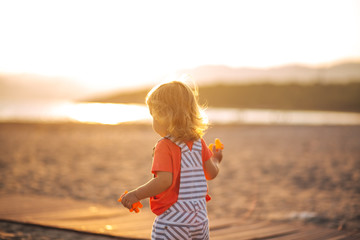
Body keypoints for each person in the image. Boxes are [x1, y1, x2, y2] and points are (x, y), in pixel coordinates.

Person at [120, 80, 223, 239]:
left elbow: (164, 181)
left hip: (175, 222)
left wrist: (136, 195)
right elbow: (211, 173)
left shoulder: (165, 146)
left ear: (164, 116)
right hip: (200, 221)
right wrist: (216, 158)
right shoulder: (199, 143)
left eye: (153, 116)